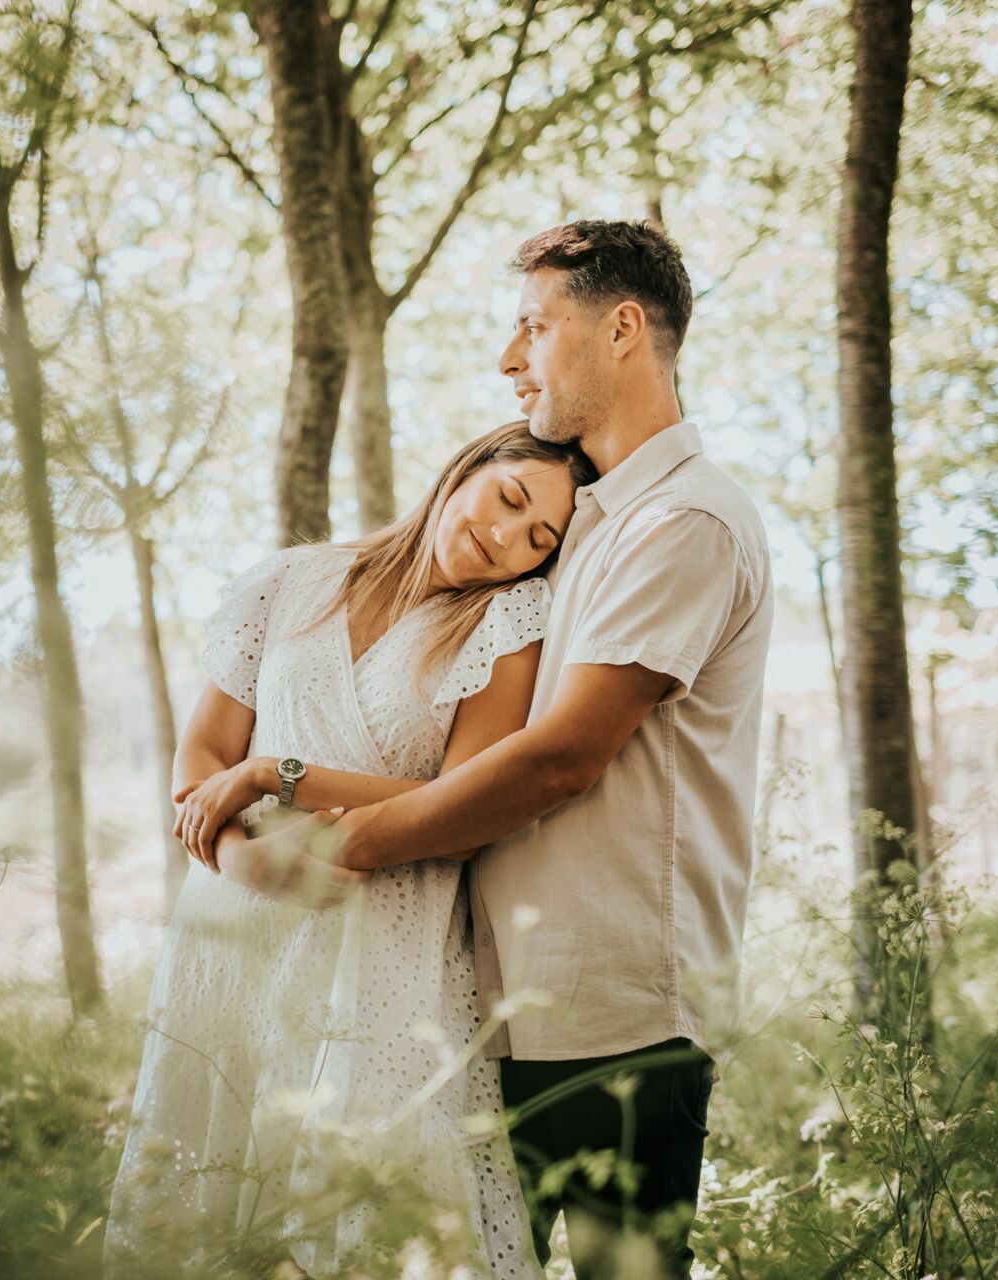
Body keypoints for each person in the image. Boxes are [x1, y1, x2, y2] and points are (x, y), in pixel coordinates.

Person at [318, 219, 776, 1278]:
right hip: (499, 1011)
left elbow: (561, 758)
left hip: (618, 1015)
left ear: (622, 329)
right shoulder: (582, 531)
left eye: (534, 326)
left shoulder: (687, 522)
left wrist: (355, 844)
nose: (509, 357)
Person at [105, 420, 595, 1278]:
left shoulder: (507, 619)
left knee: (366, 1210)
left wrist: (275, 773)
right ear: (469, 467)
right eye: (511, 499)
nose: (509, 538)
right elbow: (201, 756)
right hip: (227, 936)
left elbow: (464, 796)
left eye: (538, 540)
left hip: (384, 941)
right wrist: (234, 860)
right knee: (208, 1197)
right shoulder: (290, 580)